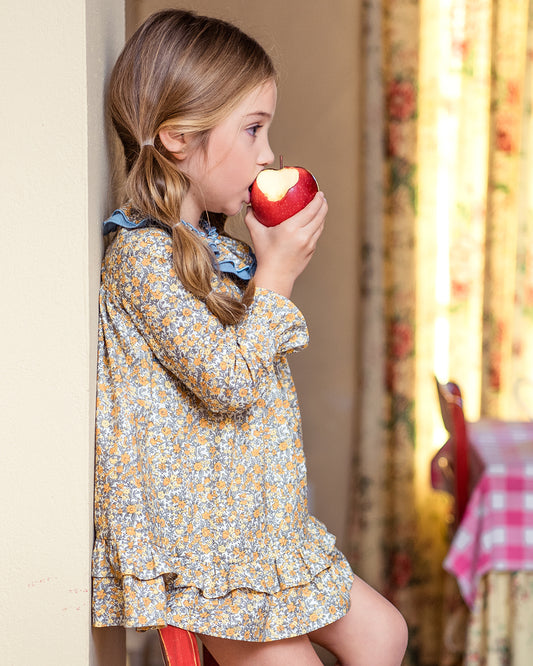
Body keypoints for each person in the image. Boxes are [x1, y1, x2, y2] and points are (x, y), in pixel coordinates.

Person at [91, 9, 408, 666]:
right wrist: (279, 273)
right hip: (210, 548)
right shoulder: (142, 259)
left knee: (384, 634)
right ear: (178, 137)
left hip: (260, 526)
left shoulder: (216, 251)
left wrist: (267, 266)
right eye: (254, 128)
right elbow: (228, 381)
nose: (267, 154)